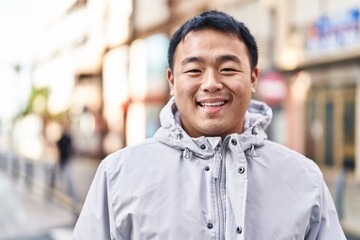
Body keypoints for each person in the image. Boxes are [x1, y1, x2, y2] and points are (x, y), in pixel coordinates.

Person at [72, 10, 346, 239]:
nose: (212, 83)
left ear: (252, 79)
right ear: (172, 81)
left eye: (228, 69)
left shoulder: (304, 178)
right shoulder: (118, 175)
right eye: (194, 70)